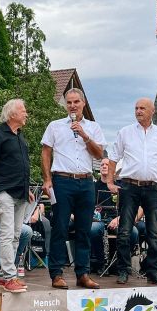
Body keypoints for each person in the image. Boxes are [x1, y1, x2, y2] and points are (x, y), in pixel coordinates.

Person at [105, 97, 157, 285]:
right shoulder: (125, 132)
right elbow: (113, 158)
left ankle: (153, 271)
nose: (138, 111)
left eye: (142, 108)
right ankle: (123, 270)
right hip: (129, 186)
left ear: (153, 111)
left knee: (155, 231)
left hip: (153, 188)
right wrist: (110, 182)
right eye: (136, 108)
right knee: (125, 230)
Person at [41, 88, 106, 290]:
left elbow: (99, 154)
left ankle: (83, 274)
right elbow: (45, 152)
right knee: (60, 227)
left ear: (83, 103)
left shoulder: (93, 127)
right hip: (62, 181)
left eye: (76, 102)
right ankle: (57, 274)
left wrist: (84, 135)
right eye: (69, 102)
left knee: (84, 230)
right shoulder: (55, 126)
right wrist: (47, 179)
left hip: (86, 182)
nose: (72, 106)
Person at [0, 99, 32, 293]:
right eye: (23, 111)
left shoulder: (20, 136)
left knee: (16, 235)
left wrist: (26, 186)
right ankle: (10, 276)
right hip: (4, 192)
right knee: (6, 234)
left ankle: (4, 276)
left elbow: (19, 165)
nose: (26, 114)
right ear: (12, 114)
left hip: (20, 192)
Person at [92, 158, 139, 273]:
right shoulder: (93, 186)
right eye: (102, 164)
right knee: (93, 229)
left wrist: (118, 219)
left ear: (113, 169)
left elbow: (130, 208)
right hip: (98, 220)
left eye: (107, 165)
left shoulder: (121, 187)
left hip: (118, 219)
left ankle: (119, 262)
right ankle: (100, 262)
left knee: (133, 232)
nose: (103, 166)